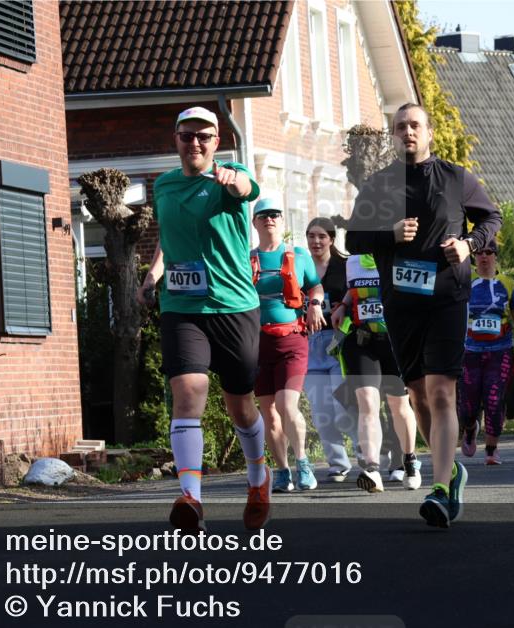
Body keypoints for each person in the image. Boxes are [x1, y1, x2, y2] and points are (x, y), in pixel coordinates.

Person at [345, 102, 502, 528]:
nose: (408, 133)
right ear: (393, 136)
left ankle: (439, 489)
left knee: (440, 392)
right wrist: (389, 235)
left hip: (447, 295)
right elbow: (354, 238)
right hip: (400, 303)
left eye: (415, 126)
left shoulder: (455, 178)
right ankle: (451, 471)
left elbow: (491, 217)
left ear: (429, 133)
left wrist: (469, 244)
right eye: (400, 127)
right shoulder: (378, 186)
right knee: (416, 395)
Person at [136, 106, 269, 532]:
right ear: (175, 140)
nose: (195, 142)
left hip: (233, 306)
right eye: (187, 135)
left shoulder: (230, 177)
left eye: (204, 137)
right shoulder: (165, 185)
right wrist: (153, 274)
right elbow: (169, 239)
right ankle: (191, 497)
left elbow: (248, 189)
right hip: (182, 306)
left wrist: (236, 182)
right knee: (188, 389)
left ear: (216, 143)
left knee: (240, 405)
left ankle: (258, 477)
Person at [250, 198, 326, 492]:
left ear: (282, 222)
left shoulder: (298, 255)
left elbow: (314, 285)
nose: (269, 219)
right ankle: (282, 470)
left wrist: (316, 303)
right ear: (255, 222)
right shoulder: (247, 258)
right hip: (257, 343)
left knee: (286, 404)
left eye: (275, 215)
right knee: (268, 412)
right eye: (263, 215)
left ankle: (303, 462)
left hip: (292, 340)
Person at [330, 254, 420, 493]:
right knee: (367, 403)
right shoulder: (353, 261)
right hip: (361, 340)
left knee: (398, 405)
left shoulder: (399, 255)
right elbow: (355, 288)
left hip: (395, 343)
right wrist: (345, 305)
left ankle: (410, 460)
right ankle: (372, 469)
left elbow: (418, 290)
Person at [458, 241, 514, 464]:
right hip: (469, 350)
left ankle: (491, 449)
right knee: (468, 402)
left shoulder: (508, 283)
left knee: (494, 398)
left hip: (500, 350)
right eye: (479, 252)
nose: (484, 256)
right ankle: (470, 428)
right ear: (474, 257)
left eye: (489, 252)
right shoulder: (465, 280)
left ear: (495, 256)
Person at [303, 218, 358, 482]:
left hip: (340, 343)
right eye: (311, 236)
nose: (316, 242)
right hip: (310, 344)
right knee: (321, 411)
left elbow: (360, 296)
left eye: (322, 237)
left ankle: (369, 455)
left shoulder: (345, 267)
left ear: (331, 240)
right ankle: (338, 464)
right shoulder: (299, 267)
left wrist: (344, 309)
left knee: (344, 407)